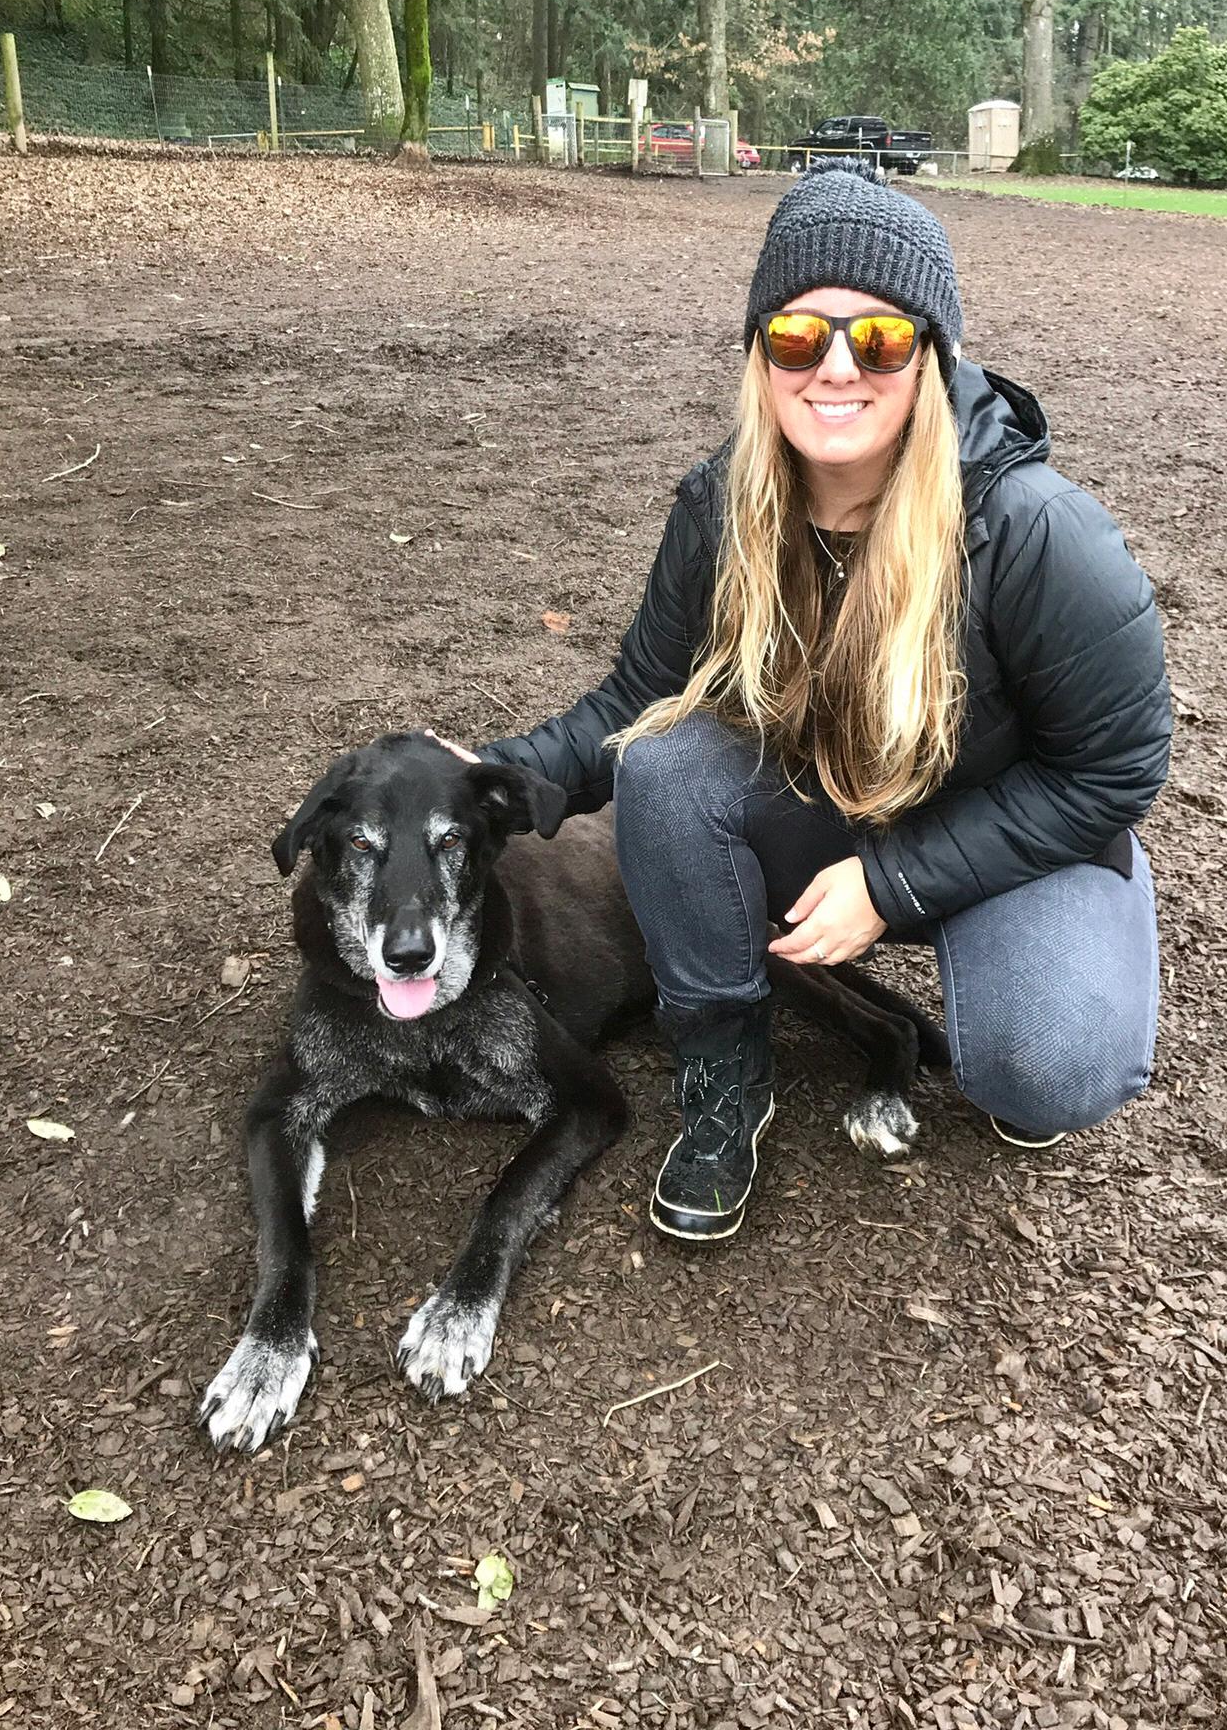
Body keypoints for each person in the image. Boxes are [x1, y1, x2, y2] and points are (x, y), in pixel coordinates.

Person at [465, 161, 1170, 1244]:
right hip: (832, 798)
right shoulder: (723, 505)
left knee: (1049, 1071)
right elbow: (640, 699)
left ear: (931, 355)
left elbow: (1113, 771)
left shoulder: (1033, 530)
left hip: (1010, 824)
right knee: (667, 765)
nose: (836, 366)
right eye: (798, 335)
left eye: (880, 338)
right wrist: (485, 781)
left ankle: (1051, 956)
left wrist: (893, 883)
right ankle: (726, 1069)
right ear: (759, 353)